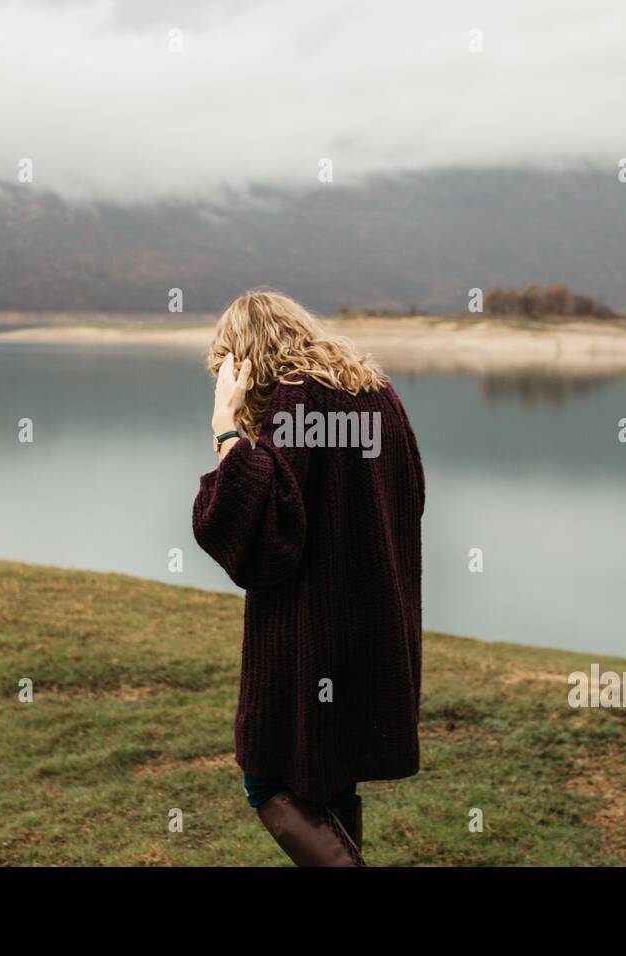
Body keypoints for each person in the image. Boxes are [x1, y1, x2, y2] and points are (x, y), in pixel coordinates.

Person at [192, 289, 425, 866]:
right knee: (330, 782)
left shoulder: (297, 401)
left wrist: (226, 432)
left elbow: (259, 539)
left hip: (311, 638)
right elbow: (410, 495)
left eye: (225, 366)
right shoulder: (374, 391)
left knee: (266, 781)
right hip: (374, 627)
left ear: (243, 361)